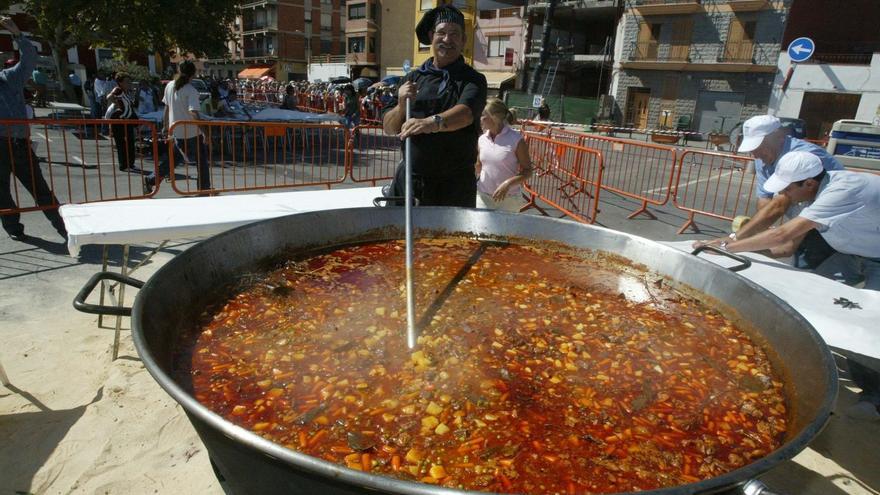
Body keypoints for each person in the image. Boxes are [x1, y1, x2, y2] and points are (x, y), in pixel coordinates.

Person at [694, 151, 880, 418]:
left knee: (867, 325)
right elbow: (787, 246)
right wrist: (736, 247)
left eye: (788, 188)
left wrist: (726, 247)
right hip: (853, 254)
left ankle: (875, 397)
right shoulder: (811, 196)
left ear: (809, 183)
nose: (785, 194)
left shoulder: (842, 190)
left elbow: (783, 233)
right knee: (811, 299)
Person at [701, 115, 844, 269]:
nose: (755, 154)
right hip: (808, 217)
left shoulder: (803, 157)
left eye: (759, 147)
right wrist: (752, 240)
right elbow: (765, 200)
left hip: (833, 225)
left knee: (810, 271)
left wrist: (734, 240)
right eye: (752, 149)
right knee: (783, 253)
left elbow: (778, 206)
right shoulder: (762, 156)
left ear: (779, 136)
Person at [382, 4, 487, 207]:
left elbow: (466, 114)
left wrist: (430, 123)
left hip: (454, 186)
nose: (447, 39)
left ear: (463, 40)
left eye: (455, 34)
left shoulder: (473, 80)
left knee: (449, 240)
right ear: (431, 36)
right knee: (398, 238)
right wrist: (401, 106)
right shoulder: (412, 78)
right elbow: (389, 127)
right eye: (442, 33)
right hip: (410, 183)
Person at [0, 16, 67, 241]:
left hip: (17, 144)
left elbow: (30, 59)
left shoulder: (10, 78)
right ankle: (14, 229)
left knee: (41, 190)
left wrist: (18, 35)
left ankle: (67, 230)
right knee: (1, 194)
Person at [145, 60, 211, 193]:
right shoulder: (190, 90)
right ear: (193, 74)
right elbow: (193, 112)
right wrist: (205, 132)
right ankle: (204, 188)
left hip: (176, 130)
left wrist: (165, 126)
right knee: (201, 162)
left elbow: (167, 107)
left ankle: (152, 179)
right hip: (191, 131)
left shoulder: (169, 85)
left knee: (173, 160)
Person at [475, 98, 532, 212]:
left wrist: (507, 184)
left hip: (509, 200)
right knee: (480, 230)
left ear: (494, 117)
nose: (480, 118)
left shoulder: (516, 140)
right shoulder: (482, 139)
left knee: (505, 231)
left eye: (483, 115)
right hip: (483, 197)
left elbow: (528, 171)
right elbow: (479, 165)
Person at [106, 73, 138, 171]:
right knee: (121, 144)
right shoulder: (118, 90)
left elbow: (131, 107)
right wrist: (116, 103)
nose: (129, 84)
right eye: (126, 82)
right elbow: (109, 97)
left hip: (127, 121)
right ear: (120, 83)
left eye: (129, 82)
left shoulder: (127, 93)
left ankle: (131, 164)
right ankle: (123, 166)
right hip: (119, 120)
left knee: (130, 142)